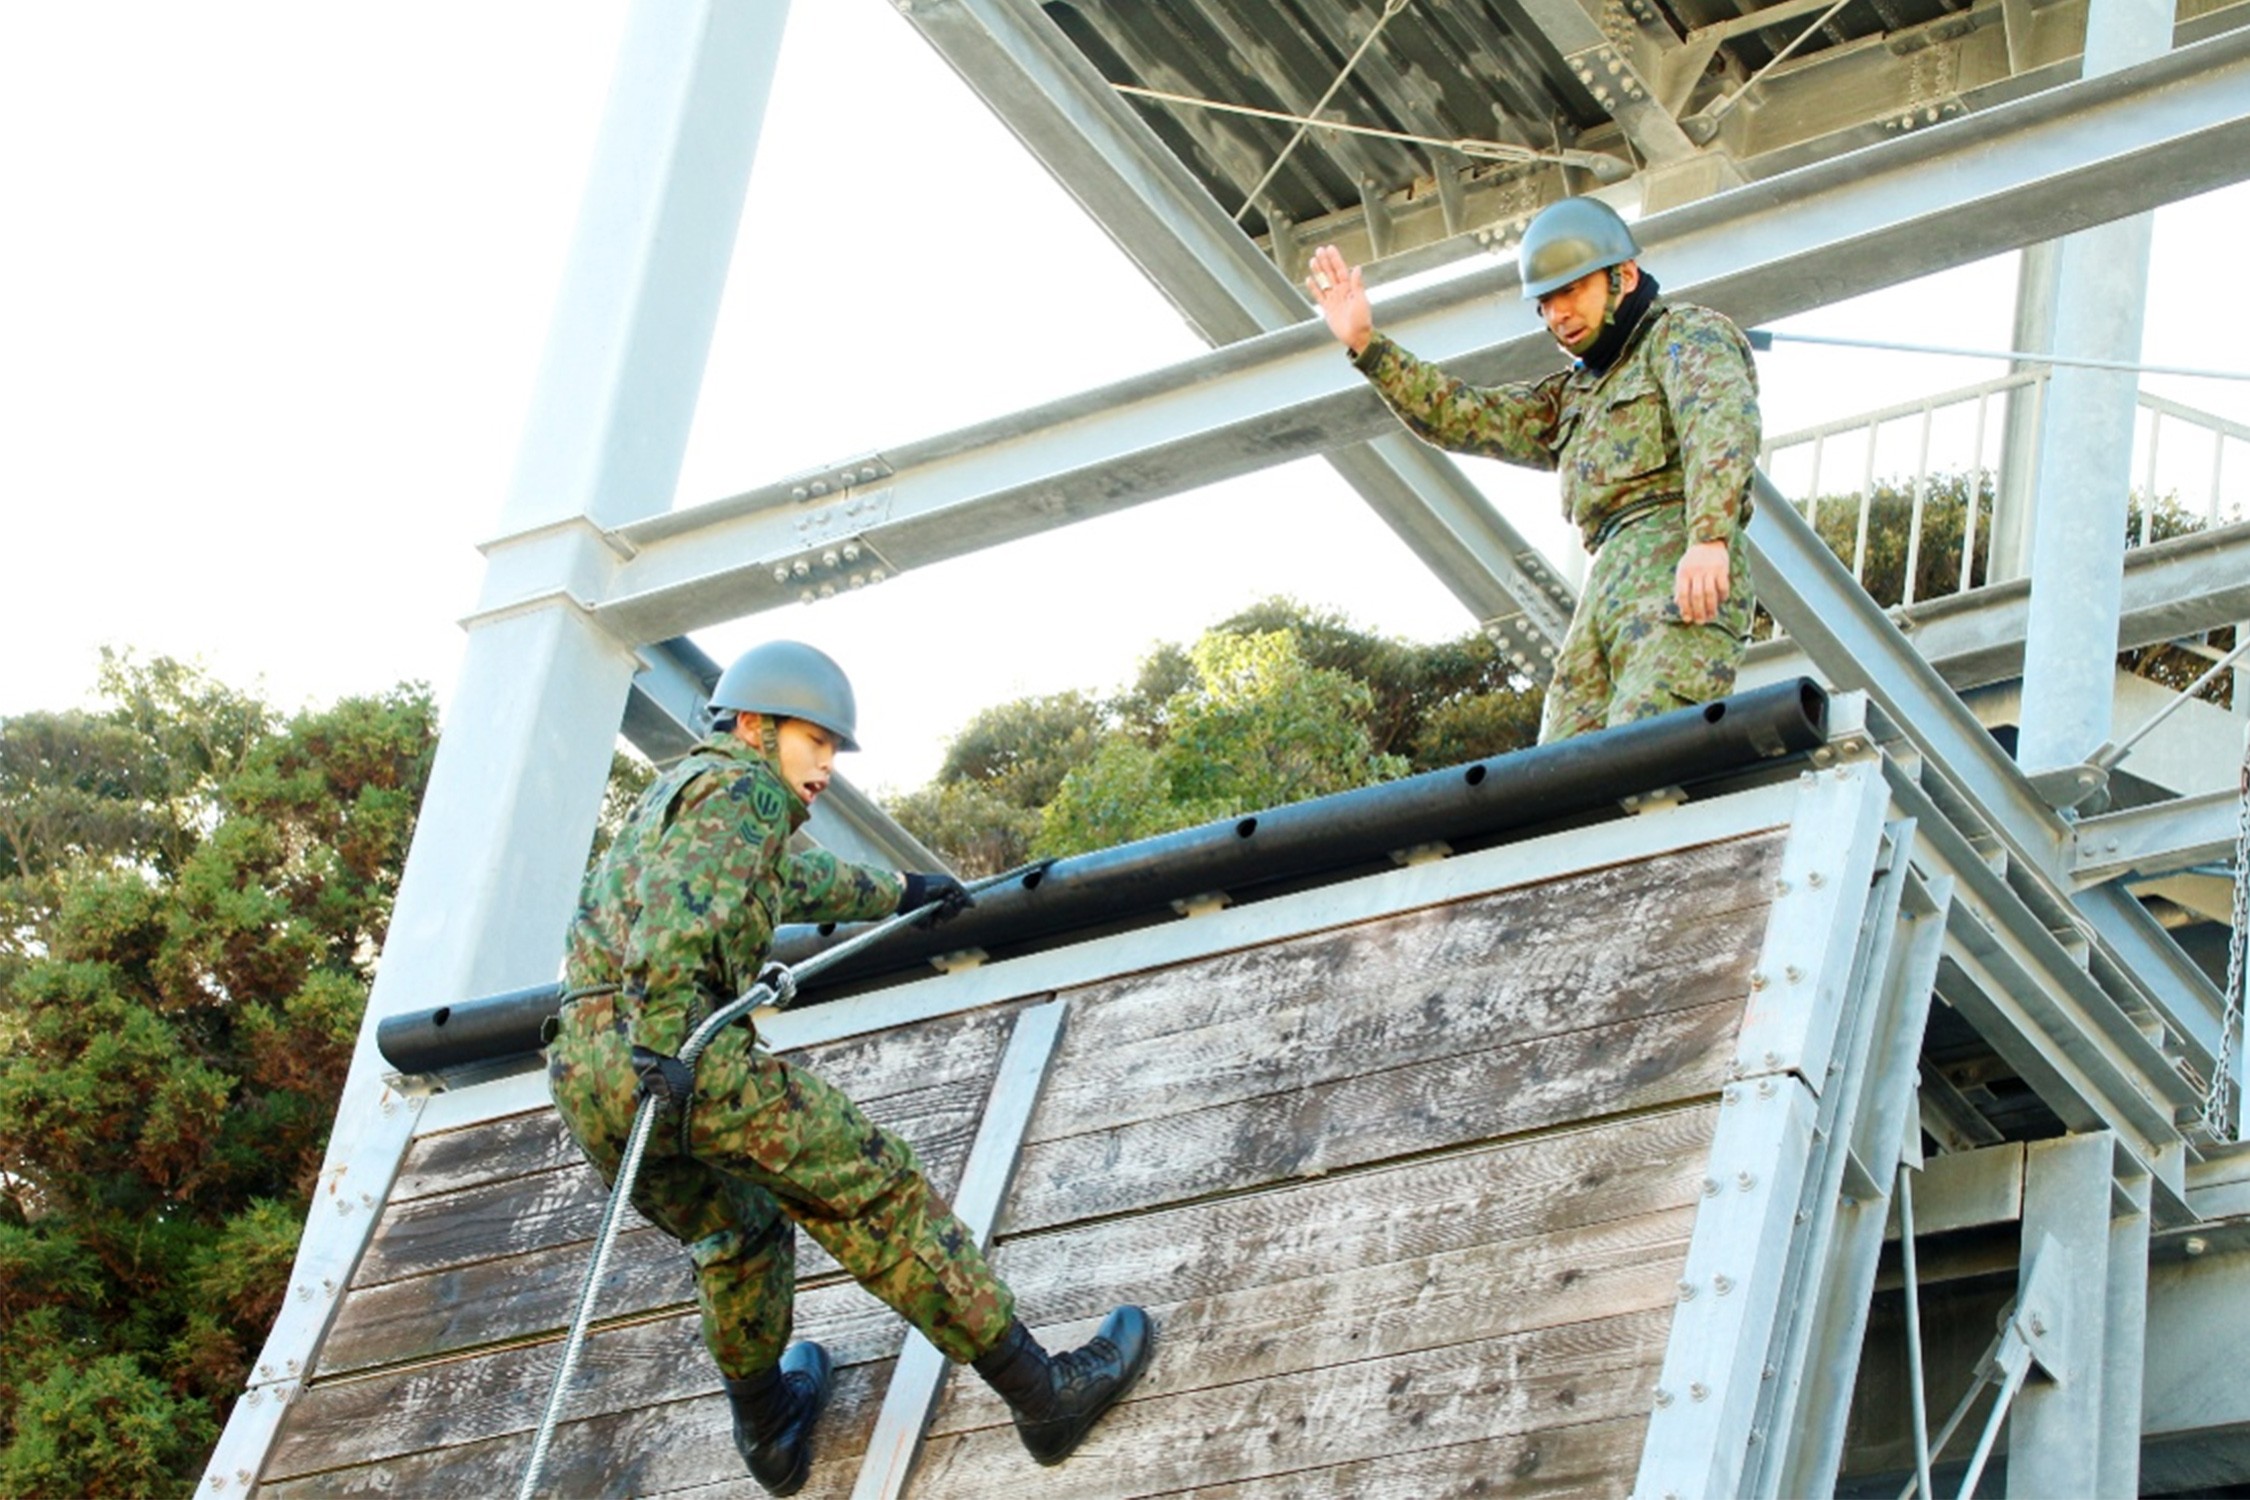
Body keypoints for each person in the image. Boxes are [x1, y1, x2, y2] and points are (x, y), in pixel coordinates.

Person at [545, 640, 1152, 1495]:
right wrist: (666, 1046)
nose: (827, 764)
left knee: (737, 1230)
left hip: (586, 1071)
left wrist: (905, 892)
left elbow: (789, 881)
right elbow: (675, 931)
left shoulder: (681, 798)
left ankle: (769, 1431)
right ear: (757, 724)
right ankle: (1043, 1393)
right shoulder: (745, 787)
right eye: (816, 741)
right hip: (673, 1051)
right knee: (876, 1193)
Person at [1307, 196, 1762, 742]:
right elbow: (1463, 416)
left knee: (1649, 749)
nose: (1558, 314)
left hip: (1674, 562)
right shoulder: (1573, 392)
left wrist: (1709, 537)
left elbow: (1719, 425)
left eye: (1571, 290)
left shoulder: (1681, 336)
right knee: (1559, 772)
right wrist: (1366, 344)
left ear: (1624, 275)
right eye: (1545, 302)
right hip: (1606, 587)